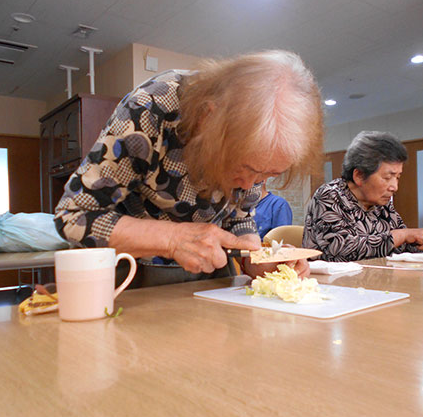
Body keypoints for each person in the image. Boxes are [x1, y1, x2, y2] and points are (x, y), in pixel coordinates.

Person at [54, 50, 323, 285]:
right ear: (209, 118)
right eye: (245, 167)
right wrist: (172, 240)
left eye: (268, 175)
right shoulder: (153, 107)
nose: (248, 184)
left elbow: (239, 219)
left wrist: (264, 262)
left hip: (211, 284)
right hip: (130, 276)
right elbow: (74, 217)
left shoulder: (252, 171)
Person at [302, 131, 423, 262]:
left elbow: (403, 245)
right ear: (359, 176)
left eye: (397, 177)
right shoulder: (330, 195)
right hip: (332, 284)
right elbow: (340, 249)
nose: (394, 187)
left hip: (375, 280)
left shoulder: (381, 204)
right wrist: (403, 235)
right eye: (387, 177)